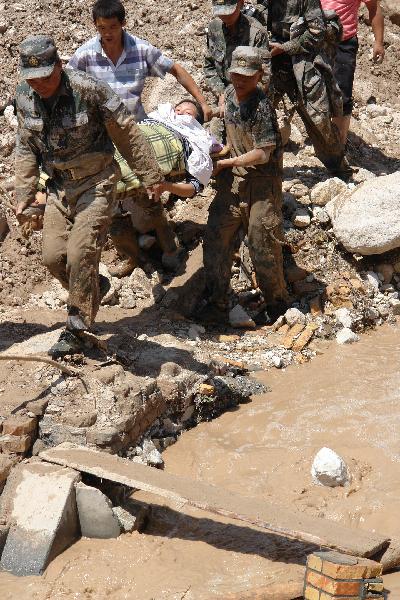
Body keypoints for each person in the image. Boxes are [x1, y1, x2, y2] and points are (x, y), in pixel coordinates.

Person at [14, 35, 164, 358]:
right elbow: (25, 147)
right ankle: (93, 286)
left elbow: (127, 132)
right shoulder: (24, 97)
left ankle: (77, 329)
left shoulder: (88, 89)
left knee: (81, 250)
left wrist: (150, 176)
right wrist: (24, 194)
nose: (38, 85)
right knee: (54, 257)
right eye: (32, 79)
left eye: (45, 77)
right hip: (58, 188)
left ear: (59, 67)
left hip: (97, 183)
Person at [68, 0, 212, 275]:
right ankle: (130, 255)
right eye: (101, 28)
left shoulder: (140, 49)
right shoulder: (86, 55)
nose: (107, 33)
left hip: (136, 133)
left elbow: (176, 69)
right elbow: (67, 86)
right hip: (101, 136)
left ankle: (170, 248)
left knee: (150, 190)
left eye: (112, 27)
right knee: (107, 199)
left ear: (123, 24)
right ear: (95, 27)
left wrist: (201, 101)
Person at [203, 46, 288, 324]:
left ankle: (278, 305)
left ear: (259, 76)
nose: (240, 81)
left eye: (247, 76)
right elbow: (228, 126)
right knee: (216, 234)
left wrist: (227, 163)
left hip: (262, 182)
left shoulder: (262, 106)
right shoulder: (228, 94)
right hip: (234, 181)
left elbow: (263, 153)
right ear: (230, 73)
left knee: (262, 240)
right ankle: (217, 301)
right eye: (236, 75)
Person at [264, 0, 352, 178]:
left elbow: (317, 32)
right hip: (272, 65)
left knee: (319, 121)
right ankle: (259, 167)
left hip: (303, 65)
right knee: (259, 113)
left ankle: (340, 170)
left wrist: (285, 47)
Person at [320, 0, 385, 144]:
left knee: (342, 93)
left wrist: (378, 42)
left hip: (344, 42)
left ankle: (338, 145)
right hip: (315, 40)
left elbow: (374, 9)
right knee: (313, 89)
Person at [204, 0, 270, 119]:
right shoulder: (214, 27)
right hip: (222, 98)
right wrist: (221, 92)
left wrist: (234, 97)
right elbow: (209, 67)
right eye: (220, 11)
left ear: (240, 3)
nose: (225, 16)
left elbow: (264, 77)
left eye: (229, 11)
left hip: (251, 100)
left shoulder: (256, 33)